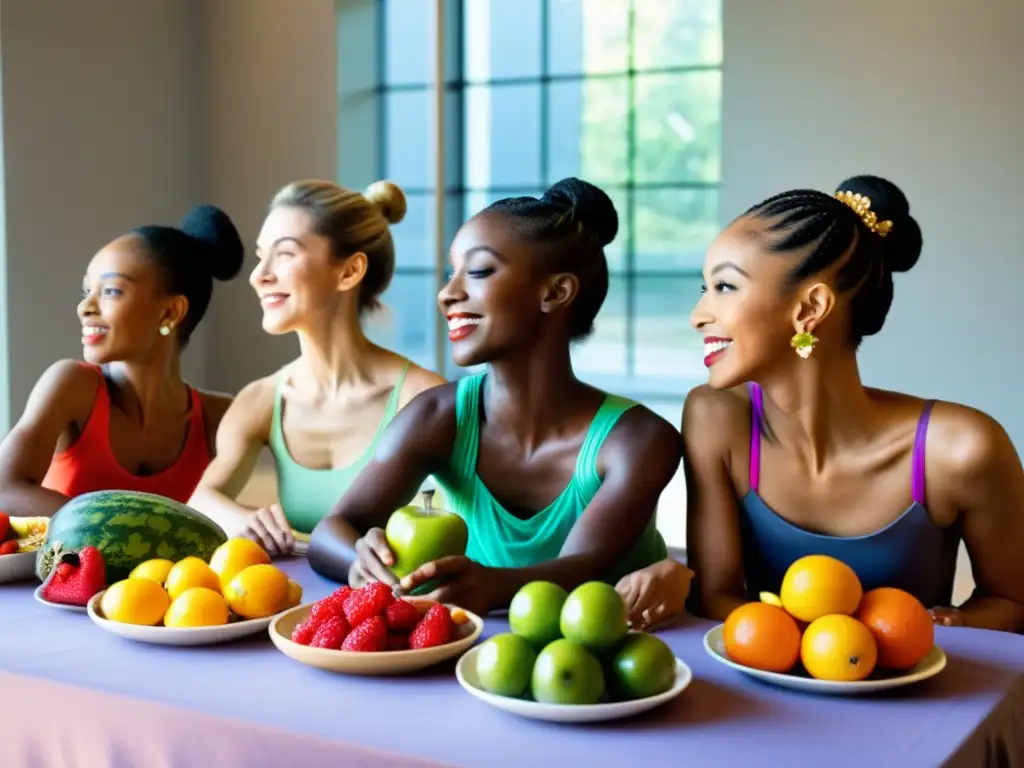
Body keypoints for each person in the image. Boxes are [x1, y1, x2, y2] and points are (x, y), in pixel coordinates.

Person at [619, 175, 1024, 634]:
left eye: (725, 287)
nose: (698, 316)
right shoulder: (715, 419)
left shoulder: (960, 449)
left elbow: (1013, 602)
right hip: (768, 696)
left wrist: (951, 624)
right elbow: (717, 597)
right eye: (704, 288)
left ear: (810, 308)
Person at [306, 177, 682, 622]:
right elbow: (331, 531)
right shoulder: (436, 416)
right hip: (470, 659)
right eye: (451, 273)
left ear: (555, 292)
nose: (447, 293)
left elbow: (580, 570)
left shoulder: (638, 440)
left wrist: (490, 583)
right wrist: (360, 558)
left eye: (479, 271)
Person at [188, 179, 445, 556]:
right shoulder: (261, 399)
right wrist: (242, 520)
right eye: (261, 256)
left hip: (395, 607)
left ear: (350, 271)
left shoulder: (422, 399)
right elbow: (202, 499)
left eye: (285, 254)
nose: (259, 275)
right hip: (291, 610)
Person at [0, 205, 245, 517]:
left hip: (172, 569)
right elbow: (4, 489)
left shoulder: (219, 418)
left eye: (111, 291)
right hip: (61, 567)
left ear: (171, 312)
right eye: (87, 290)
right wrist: (123, 527)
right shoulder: (72, 386)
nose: (84, 307)